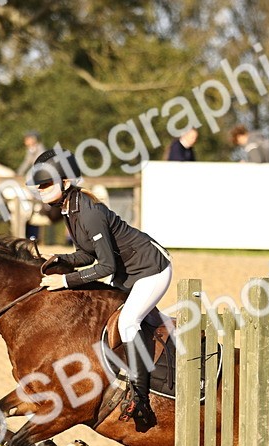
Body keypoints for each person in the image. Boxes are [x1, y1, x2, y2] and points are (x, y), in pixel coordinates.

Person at [28, 148, 173, 428]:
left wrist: (65, 280)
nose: (41, 190)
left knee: (129, 321)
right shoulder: (70, 209)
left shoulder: (89, 211)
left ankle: (139, 399)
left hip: (151, 269)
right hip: (128, 273)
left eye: (46, 184)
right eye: (39, 185)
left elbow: (104, 266)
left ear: (66, 183)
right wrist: (60, 259)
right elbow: (86, 255)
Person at [16, 131, 47, 240]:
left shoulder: (40, 149)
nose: (25, 141)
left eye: (27, 139)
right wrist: (18, 174)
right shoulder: (31, 150)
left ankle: (43, 202)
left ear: (33, 139)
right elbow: (26, 163)